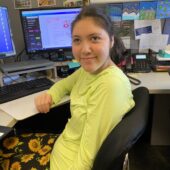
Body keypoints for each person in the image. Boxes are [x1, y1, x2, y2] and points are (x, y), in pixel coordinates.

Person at [35, 5, 135, 170]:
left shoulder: (110, 84)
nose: (84, 49)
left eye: (94, 38)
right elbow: (64, 85)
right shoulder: (86, 71)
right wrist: (50, 95)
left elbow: (89, 156)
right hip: (62, 148)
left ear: (111, 41)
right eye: (77, 40)